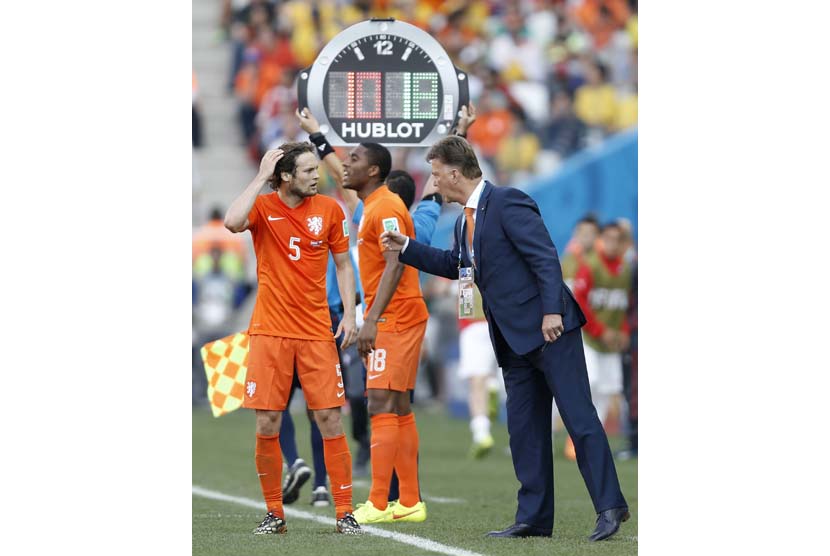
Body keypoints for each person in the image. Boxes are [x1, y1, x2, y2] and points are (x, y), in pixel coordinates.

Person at [381, 136, 629, 541]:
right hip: (512, 340)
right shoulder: (464, 220)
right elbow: (455, 265)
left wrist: (552, 311)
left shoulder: (508, 201)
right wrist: (407, 247)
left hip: (550, 331)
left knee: (579, 419)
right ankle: (533, 518)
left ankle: (609, 507)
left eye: (437, 174)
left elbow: (544, 257)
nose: (433, 182)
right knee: (524, 431)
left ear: (455, 173)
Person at [224, 143, 363, 535]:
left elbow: (342, 263)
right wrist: (258, 177)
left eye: (316, 169)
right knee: (267, 420)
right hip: (269, 330)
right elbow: (233, 222)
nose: (315, 176)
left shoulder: (331, 210)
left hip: (318, 331)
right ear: (285, 176)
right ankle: (275, 513)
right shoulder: (264, 208)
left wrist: (350, 314)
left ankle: (345, 512)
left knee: (329, 418)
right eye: (306, 171)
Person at [342, 142, 430, 525]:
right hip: (395, 314)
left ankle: (378, 503)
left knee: (378, 402)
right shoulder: (374, 207)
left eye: (355, 160)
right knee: (397, 406)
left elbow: (397, 261)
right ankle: (409, 500)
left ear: (374, 170)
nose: (347, 163)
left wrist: (371, 319)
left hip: (395, 317)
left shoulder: (388, 206)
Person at [571, 221, 633, 434]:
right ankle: (579, 433)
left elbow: (622, 305)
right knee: (591, 382)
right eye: (608, 239)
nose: (612, 245)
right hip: (588, 337)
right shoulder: (590, 265)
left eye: (617, 241)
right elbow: (579, 303)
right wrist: (600, 331)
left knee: (609, 388)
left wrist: (623, 331)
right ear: (601, 240)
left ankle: (593, 434)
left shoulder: (625, 269)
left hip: (611, 341)